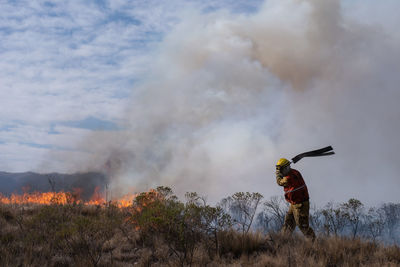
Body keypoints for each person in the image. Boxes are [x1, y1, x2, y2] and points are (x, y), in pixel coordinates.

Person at [276, 158, 316, 240]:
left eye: (281, 170)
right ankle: (283, 241)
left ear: (286, 168)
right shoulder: (295, 171)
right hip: (295, 203)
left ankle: (314, 243)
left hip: (300, 204)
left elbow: (280, 182)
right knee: (288, 223)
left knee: (303, 225)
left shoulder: (288, 178)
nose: (281, 172)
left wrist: (277, 175)